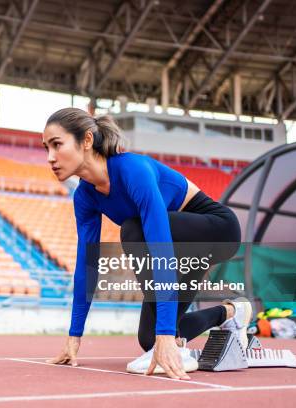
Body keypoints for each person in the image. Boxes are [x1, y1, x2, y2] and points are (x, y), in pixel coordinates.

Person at [43, 108, 251, 380]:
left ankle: (172, 340)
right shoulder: (85, 197)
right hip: (179, 245)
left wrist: (166, 335)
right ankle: (232, 313)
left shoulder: (132, 170)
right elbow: (88, 265)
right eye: (46, 147)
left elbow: (160, 248)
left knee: (133, 230)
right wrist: (74, 336)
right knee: (147, 339)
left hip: (217, 231)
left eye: (57, 145)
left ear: (86, 141)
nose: (50, 157)